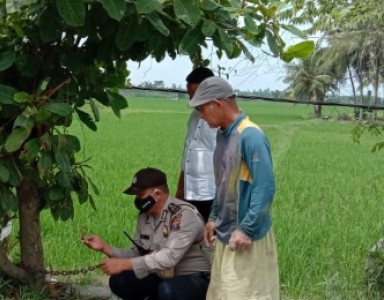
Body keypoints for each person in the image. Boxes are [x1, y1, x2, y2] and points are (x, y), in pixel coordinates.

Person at [189, 76, 279, 299]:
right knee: (222, 293)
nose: (201, 116)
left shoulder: (250, 135)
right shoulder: (222, 135)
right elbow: (223, 184)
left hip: (246, 238)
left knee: (246, 294)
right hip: (226, 233)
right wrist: (213, 217)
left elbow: (265, 187)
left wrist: (247, 229)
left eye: (202, 109)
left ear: (217, 104)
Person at [82, 168, 211, 300]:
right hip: (161, 276)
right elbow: (137, 253)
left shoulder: (184, 215)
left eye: (141, 195)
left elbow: (169, 257)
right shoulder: (145, 216)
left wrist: (123, 264)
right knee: (120, 281)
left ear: (157, 194)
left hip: (194, 279)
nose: (137, 200)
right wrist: (105, 248)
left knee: (169, 291)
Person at [176, 67, 217, 222]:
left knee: (211, 242)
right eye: (189, 95)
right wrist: (180, 195)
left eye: (195, 94)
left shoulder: (222, 122)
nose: (191, 100)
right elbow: (188, 156)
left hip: (212, 197)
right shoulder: (194, 116)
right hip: (190, 194)